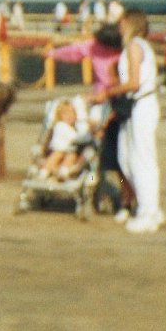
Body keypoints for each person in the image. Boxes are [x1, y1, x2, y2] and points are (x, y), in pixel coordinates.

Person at [51, 24, 130, 216]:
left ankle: (125, 199)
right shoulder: (94, 46)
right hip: (98, 103)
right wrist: (52, 54)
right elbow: (73, 51)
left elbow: (124, 83)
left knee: (119, 161)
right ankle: (100, 191)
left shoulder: (123, 54)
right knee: (97, 155)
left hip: (115, 103)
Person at [99, 12, 163, 234]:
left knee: (142, 159)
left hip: (142, 105)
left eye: (122, 23)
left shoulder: (135, 46)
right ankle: (150, 206)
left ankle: (148, 212)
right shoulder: (133, 47)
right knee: (125, 158)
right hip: (133, 107)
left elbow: (133, 82)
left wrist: (107, 92)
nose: (118, 27)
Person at [41, 100, 85, 179]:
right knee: (56, 156)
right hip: (58, 149)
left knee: (71, 156)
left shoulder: (73, 128)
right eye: (66, 114)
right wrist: (85, 138)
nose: (70, 116)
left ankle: (64, 170)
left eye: (72, 113)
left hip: (69, 150)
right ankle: (45, 170)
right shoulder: (60, 125)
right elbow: (74, 138)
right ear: (60, 116)